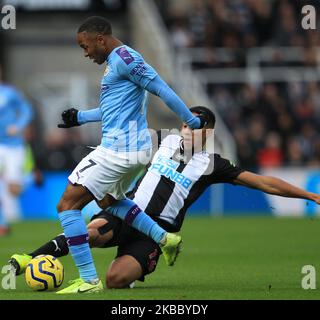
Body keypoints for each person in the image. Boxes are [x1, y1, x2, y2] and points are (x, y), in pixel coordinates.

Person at [10, 106, 320, 289]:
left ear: (208, 132)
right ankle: (28, 259)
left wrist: (308, 194)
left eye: (194, 127)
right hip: (127, 212)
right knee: (91, 232)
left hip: (158, 230)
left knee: (116, 280)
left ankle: (143, 262)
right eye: (185, 124)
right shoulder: (162, 140)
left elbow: (264, 182)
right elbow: (122, 140)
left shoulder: (213, 165)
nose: (186, 130)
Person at [53, 16, 207, 294]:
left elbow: (161, 87)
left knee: (67, 205)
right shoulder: (117, 62)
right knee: (110, 201)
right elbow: (112, 109)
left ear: (101, 39)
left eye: (85, 46)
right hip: (130, 149)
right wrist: (80, 117)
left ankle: (89, 280)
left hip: (119, 149)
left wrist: (190, 119)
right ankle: (164, 239)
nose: (85, 53)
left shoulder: (125, 58)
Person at [0, 65, 33, 236]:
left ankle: (8, 217)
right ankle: (3, 223)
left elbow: (27, 110)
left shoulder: (9, 92)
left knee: (13, 188)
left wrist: (18, 126)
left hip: (13, 145)